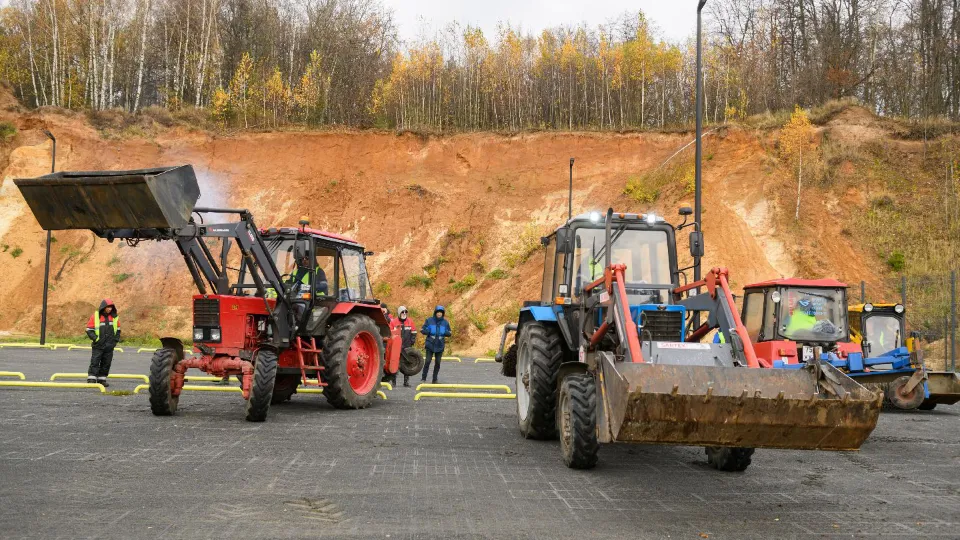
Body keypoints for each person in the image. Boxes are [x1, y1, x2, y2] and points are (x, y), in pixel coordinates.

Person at [85, 299, 121, 387]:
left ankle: (102, 379)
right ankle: (91, 378)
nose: (109, 309)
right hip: (98, 345)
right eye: (108, 307)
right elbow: (89, 330)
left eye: (111, 307)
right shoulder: (96, 316)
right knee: (95, 361)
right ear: (103, 307)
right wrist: (96, 339)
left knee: (106, 362)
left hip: (109, 345)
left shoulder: (115, 317)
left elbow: (118, 331)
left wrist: (114, 341)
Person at [421, 305, 452, 384]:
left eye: (441, 312)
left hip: (440, 345)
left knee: (438, 362)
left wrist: (445, 332)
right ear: (435, 313)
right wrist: (427, 331)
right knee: (427, 361)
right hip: (430, 344)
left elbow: (449, 333)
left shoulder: (445, 323)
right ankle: (423, 378)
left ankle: (434, 379)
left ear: (443, 314)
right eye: (438, 312)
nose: (439, 314)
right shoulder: (429, 320)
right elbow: (422, 329)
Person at [391, 306, 418, 387]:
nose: (404, 314)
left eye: (405, 312)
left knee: (407, 364)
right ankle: (393, 382)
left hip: (407, 346)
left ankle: (406, 382)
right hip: (396, 346)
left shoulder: (410, 321)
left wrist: (412, 340)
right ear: (399, 313)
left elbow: (414, 331)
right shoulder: (393, 322)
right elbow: (390, 333)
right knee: (395, 363)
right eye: (402, 312)